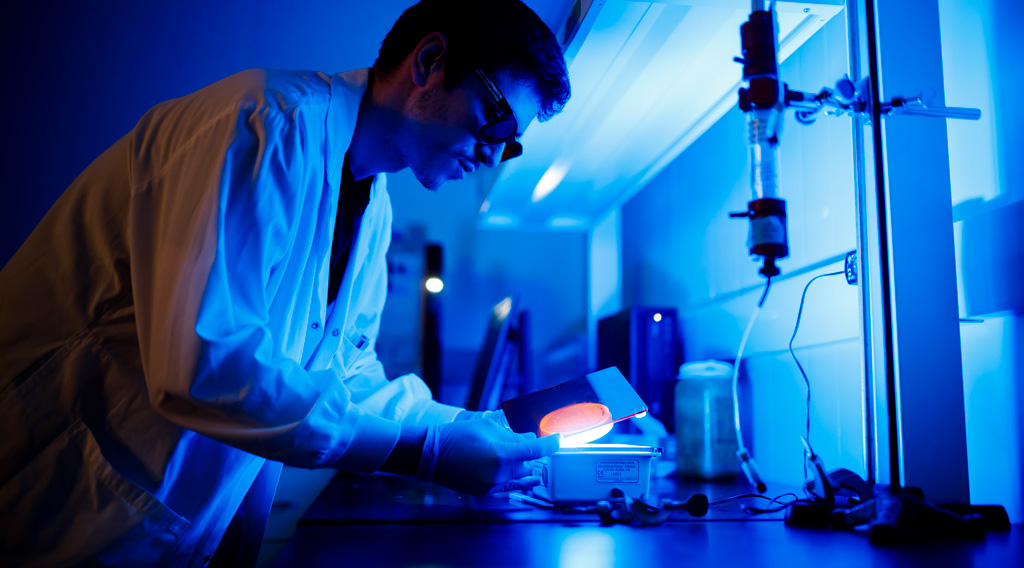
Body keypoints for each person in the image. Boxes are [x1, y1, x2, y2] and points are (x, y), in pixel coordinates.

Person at [0, 0, 571, 565]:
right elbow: (206, 365)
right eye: (496, 121)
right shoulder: (262, 123)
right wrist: (418, 451)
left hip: (141, 521)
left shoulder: (373, 207)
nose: (493, 153)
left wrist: (464, 428)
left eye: (511, 142)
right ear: (429, 61)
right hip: (45, 494)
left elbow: (346, 372)